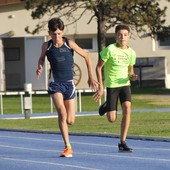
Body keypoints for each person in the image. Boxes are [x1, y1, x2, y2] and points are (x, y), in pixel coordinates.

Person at [36, 17, 98, 157]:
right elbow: (41, 57)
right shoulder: (47, 45)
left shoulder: (69, 43)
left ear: (62, 32)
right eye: (53, 34)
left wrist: (91, 76)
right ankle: (68, 147)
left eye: (59, 34)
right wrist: (40, 66)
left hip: (69, 84)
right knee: (62, 113)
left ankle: (67, 140)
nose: (56, 37)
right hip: (55, 84)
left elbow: (87, 56)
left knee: (70, 120)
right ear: (49, 33)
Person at [93, 24, 138, 152]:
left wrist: (132, 76)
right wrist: (101, 86)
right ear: (115, 36)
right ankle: (107, 106)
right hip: (112, 85)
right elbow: (98, 67)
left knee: (127, 109)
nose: (122, 37)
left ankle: (122, 142)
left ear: (129, 37)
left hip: (124, 84)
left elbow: (130, 71)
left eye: (125, 35)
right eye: (119, 35)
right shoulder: (110, 49)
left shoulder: (131, 52)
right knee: (112, 119)